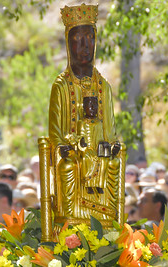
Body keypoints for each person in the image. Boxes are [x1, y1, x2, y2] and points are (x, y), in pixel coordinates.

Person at [47, 3, 122, 225]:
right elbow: (55, 133)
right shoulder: (61, 86)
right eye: (78, 40)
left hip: (99, 157)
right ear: (69, 44)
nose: (84, 47)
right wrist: (66, 147)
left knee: (113, 164)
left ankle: (106, 219)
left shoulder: (103, 87)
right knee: (67, 167)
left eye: (89, 39)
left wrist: (112, 146)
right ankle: (72, 216)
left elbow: (110, 132)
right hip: (73, 155)